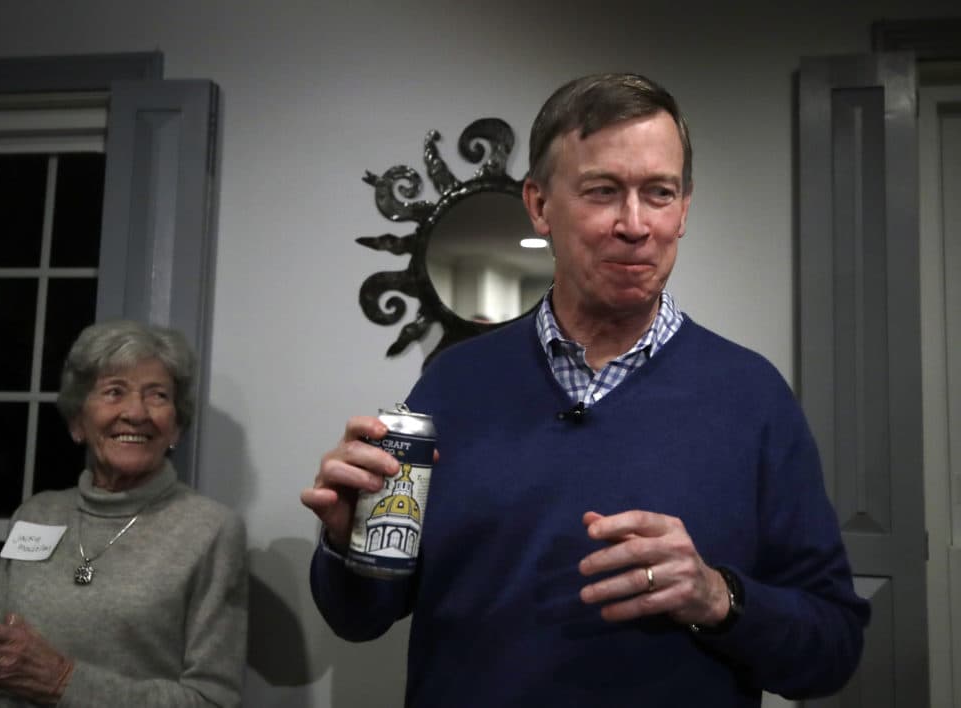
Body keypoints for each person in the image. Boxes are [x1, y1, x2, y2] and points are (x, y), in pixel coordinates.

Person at [302, 73, 870, 707]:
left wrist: (718, 597)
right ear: (540, 205)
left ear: (684, 210)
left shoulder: (753, 397)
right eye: (603, 191)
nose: (635, 224)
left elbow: (833, 649)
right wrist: (348, 541)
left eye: (659, 193)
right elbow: (359, 618)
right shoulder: (453, 384)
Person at [0, 320, 247, 707]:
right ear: (78, 421)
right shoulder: (37, 513)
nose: (135, 412)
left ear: (176, 427)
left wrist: (62, 681)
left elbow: (211, 700)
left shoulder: (211, 530)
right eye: (114, 392)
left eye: (157, 395)